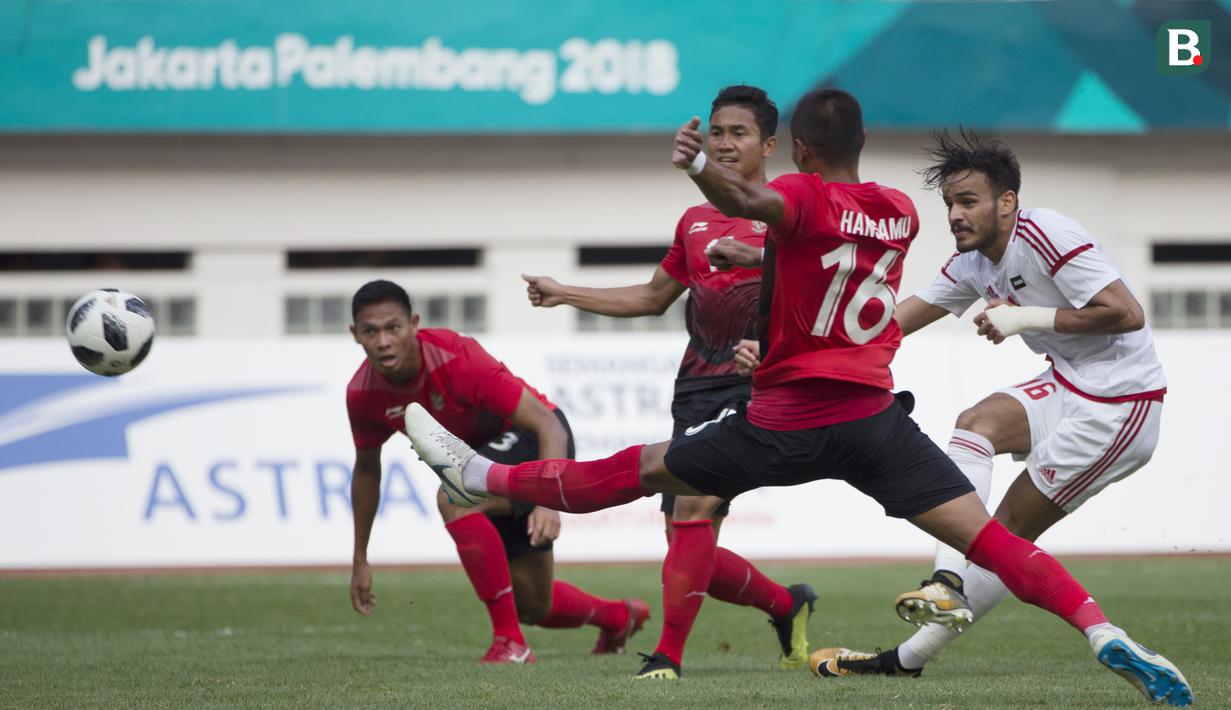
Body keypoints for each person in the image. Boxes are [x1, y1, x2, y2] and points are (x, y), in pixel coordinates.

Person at [404, 90, 1191, 705]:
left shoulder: (799, 198)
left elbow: (761, 207)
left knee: (638, 471)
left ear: (802, 152)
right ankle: (1100, 632)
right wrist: (765, 253)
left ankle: (480, 479)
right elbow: (857, 287)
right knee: (991, 539)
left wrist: (695, 172)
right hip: (874, 426)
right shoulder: (900, 212)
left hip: (784, 422)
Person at [805, 131, 1192, 705]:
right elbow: (891, 323)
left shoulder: (1047, 233)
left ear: (1006, 202)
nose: (956, 216)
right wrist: (810, 353)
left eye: (968, 202)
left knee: (1004, 537)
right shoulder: (969, 263)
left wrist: (1025, 317)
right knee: (975, 423)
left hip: (1121, 406)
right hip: (1066, 381)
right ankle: (946, 582)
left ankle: (912, 656)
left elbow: (1126, 314)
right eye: (950, 205)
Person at [520, 85, 814, 679]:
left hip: (764, 385)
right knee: (688, 532)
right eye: (717, 132)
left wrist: (760, 264)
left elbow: (826, 276)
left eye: (740, 133)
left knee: (694, 509)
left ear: (771, 144)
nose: (726, 143)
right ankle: (787, 604)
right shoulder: (697, 220)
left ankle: (667, 658)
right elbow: (654, 297)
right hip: (698, 388)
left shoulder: (794, 208)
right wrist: (565, 292)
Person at [345, 279, 649, 664]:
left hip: (534, 443)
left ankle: (511, 644)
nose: (383, 341)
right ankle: (618, 617)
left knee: (454, 498)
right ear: (356, 335)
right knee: (533, 605)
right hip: (483, 465)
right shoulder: (362, 394)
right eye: (371, 331)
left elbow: (547, 424)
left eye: (393, 327)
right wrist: (360, 558)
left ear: (414, 324)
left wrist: (548, 501)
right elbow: (367, 471)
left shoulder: (457, 357)